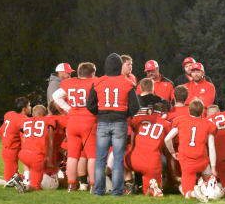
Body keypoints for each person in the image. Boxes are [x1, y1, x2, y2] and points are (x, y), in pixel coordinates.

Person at [87, 53, 140, 196]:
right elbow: (135, 107)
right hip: (120, 122)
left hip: (103, 121)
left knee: (101, 159)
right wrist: (124, 114)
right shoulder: (127, 83)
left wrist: (100, 113)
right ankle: (116, 191)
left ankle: (98, 190)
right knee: (118, 158)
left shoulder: (98, 82)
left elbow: (90, 104)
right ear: (119, 66)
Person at [52, 62, 98, 192]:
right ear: (92, 73)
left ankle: (71, 184)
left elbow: (56, 96)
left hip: (72, 122)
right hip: (88, 121)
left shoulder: (69, 83)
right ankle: (94, 185)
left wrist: (69, 109)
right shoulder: (95, 82)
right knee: (92, 156)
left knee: (72, 156)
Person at [164, 99, 217, 203]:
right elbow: (211, 147)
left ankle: (195, 192)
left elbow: (167, 139)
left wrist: (172, 152)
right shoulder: (208, 124)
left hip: (187, 161)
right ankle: (205, 185)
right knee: (208, 177)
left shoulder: (181, 120)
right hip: (202, 161)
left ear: (189, 110)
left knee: (187, 193)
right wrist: (213, 167)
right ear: (202, 111)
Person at [124, 103, 171, 197]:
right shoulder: (167, 125)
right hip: (153, 162)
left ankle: (129, 185)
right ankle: (152, 187)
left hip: (135, 158)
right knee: (148, 193)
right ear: (164, 113)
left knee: (120, 160)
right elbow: (167, 145)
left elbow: (131, 128)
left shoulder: (140, 119)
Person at [17, 105, 55, 192]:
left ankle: (26, 180)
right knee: (36, 186)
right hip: (36, 157)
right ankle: (26, 186)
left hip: (23, 153)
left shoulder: (26, 121)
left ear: (33, 114)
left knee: (29, 161)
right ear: (45, 114)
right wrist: (49, 161)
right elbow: (50, 143)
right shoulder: (47, 121)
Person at [0, 97, 31, 182]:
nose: (30, 108)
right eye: (29, 105)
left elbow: (1, 132)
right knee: (8, 181)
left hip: (9, 148)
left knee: (14, 178)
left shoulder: (9, 114)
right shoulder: (23, 119)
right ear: (24, 108)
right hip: (11, 150)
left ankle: (25, 177)